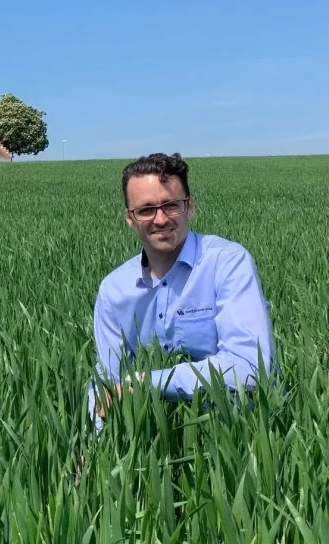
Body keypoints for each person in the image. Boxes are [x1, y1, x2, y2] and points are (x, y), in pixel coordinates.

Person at [89, 152, 277, 428]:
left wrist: (147, 383)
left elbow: (249, 367)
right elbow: (107, 384)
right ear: (129, 218)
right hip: (153, 440)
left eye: (171, 205)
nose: (161, 219)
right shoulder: (114, 291)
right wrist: (90, 453)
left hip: (238, 432)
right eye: (146, 210)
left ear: (190, 207)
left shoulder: (226, 263)